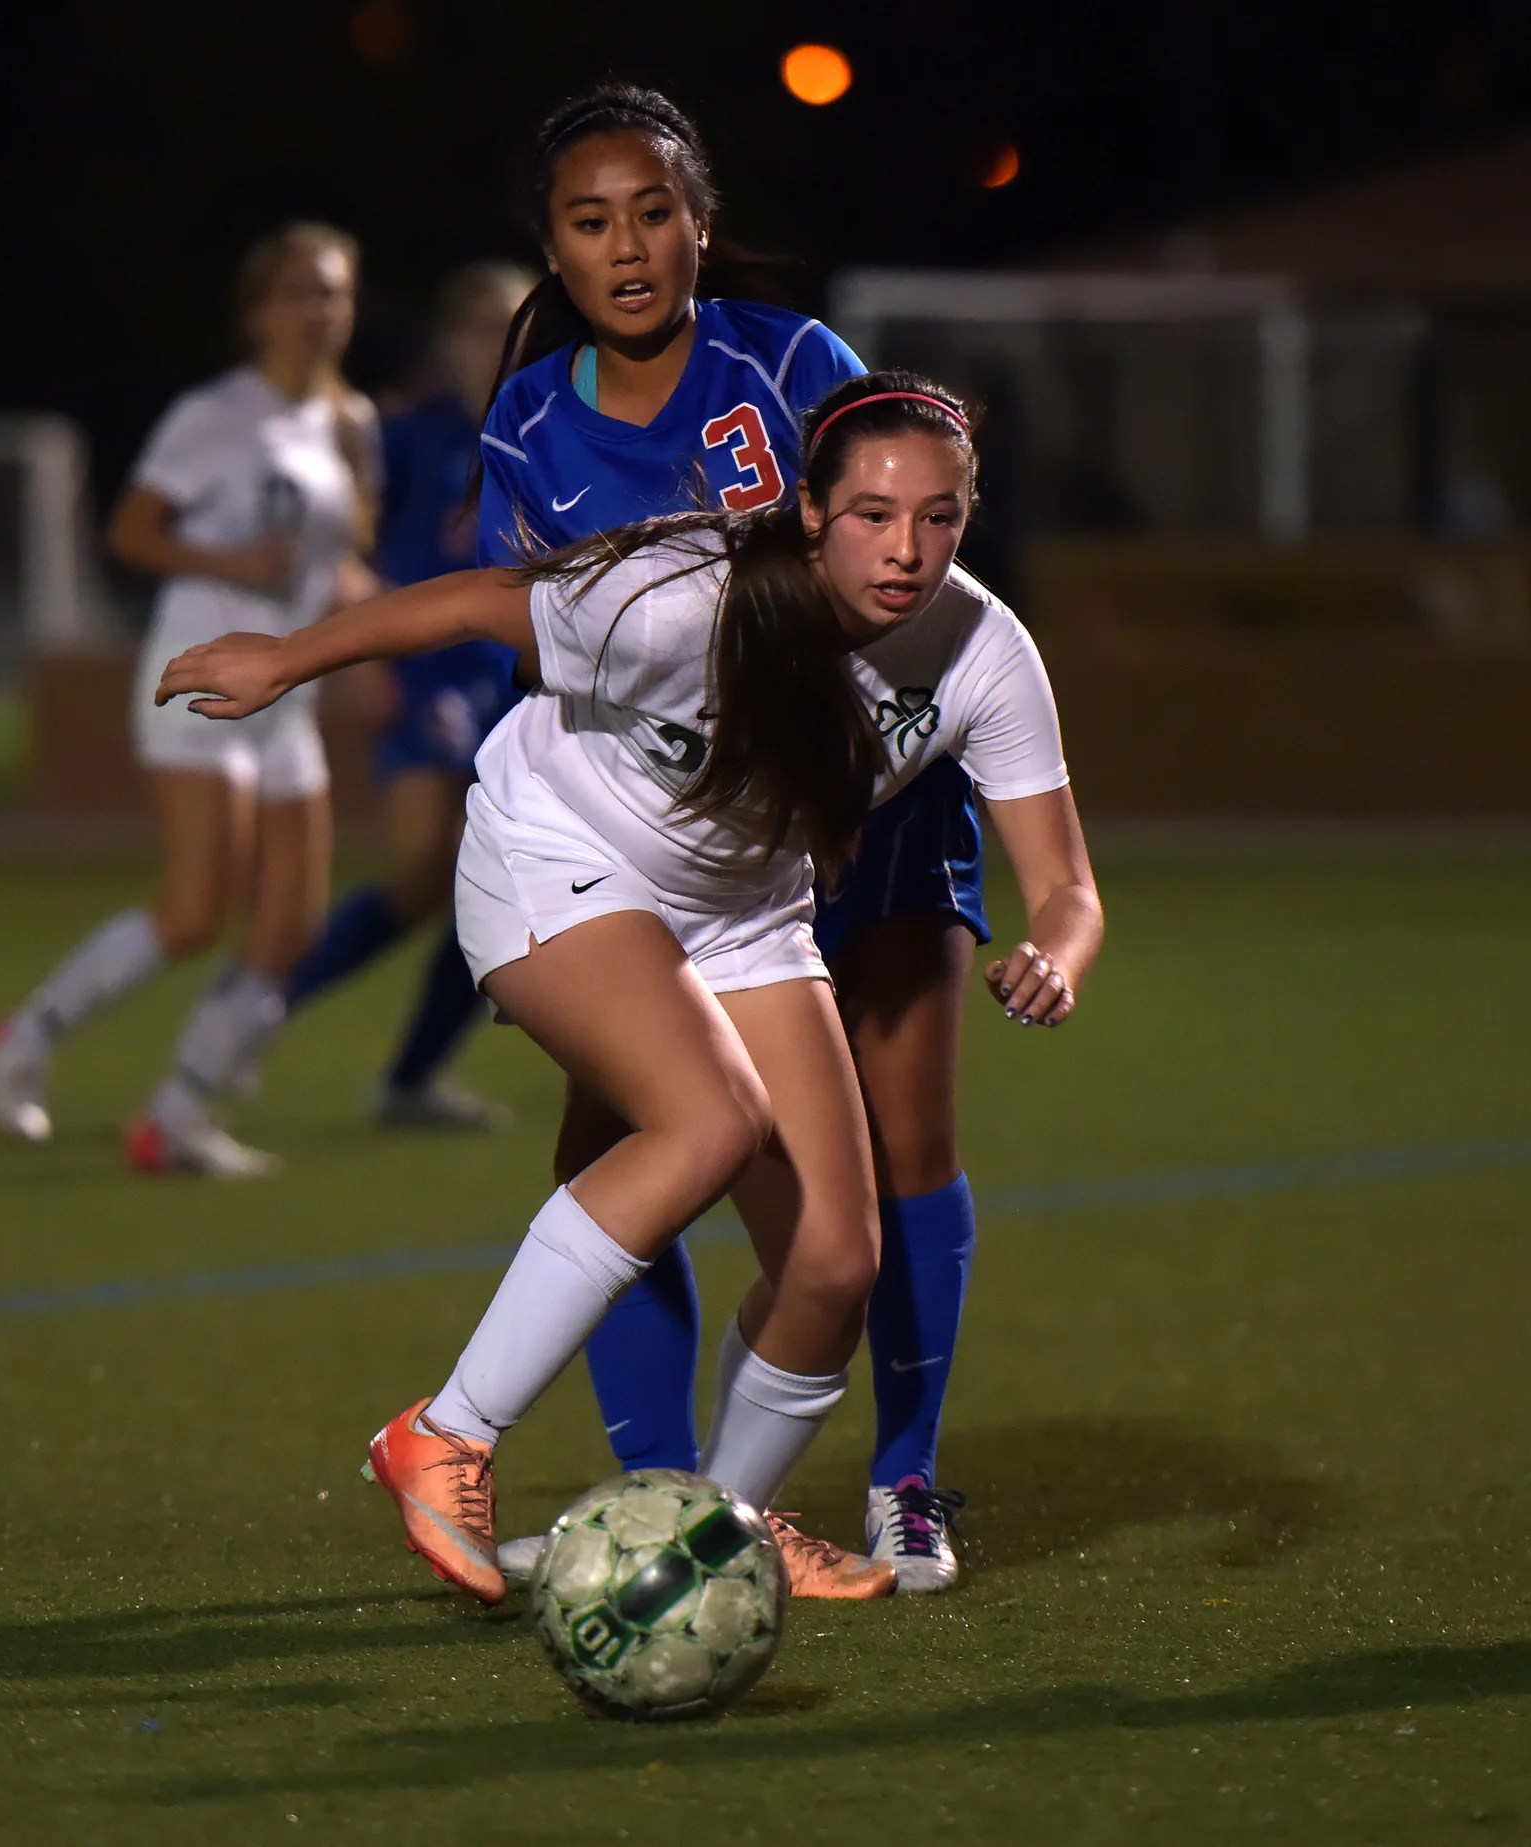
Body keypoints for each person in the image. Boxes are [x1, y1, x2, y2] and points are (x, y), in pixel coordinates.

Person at [155, 373, 1101, 1606]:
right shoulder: (687, 595)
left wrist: (1057, 950)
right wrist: (288, 657)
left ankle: (713, 1531)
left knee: (832, 1261)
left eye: (938, 517)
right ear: (811, 510)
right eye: (873, 514)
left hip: (746, 912)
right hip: (558, 852)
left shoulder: (983, 649)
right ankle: (446, 1433)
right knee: (708, 1121)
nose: (906, 549)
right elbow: (471, 602)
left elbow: (1066, 884)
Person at [474, 84, 1039, 1595]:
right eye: (591, 222)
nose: (628, 247)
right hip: (675, 844)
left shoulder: (793, 363)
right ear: (552, 247)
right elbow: (530, 641)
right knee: (623, 1147)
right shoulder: (527, 424)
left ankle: (903, 1476)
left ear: (700, 225)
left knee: (901, 1143)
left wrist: (846, 780)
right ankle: (658, 1498)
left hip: (874, 815)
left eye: (654, 213)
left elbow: (900, 555)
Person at [0, 224, 376, 1176]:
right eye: (298, 291)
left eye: (333, 293)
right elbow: (132, 531)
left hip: (284, 688)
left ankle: (177, 1117)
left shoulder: (349, 423)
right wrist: (230, 562)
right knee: (198, 910)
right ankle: (26, 1037)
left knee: (291, 925)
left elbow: (336, 563)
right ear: (258, 312)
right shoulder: (216, 415)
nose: (319, 311)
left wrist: (394, 621)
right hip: (200, 671)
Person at [281, 260, 535, 1130]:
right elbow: (338, 545)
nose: (497, 345)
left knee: (491, 890)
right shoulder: (410, 435)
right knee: (424, 865)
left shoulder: (555, 430)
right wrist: (361, 658)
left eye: (513, 326)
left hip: (520, 684)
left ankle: (410, 1078)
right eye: (482, 326)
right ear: (452, 339)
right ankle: (256, 1007)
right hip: (426, 675)